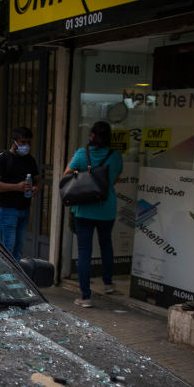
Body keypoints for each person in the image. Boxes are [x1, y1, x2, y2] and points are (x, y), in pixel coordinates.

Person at [64, 120, 123, 308]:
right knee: (106, 245)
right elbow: (115, 179)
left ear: (92, 136)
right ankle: (108, 284)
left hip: (84, 208)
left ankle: (85, 296)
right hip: (106, 208)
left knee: (84, 251)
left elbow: (67, 175)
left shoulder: (82, 154)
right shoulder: (115, 156)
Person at [0, 126, 42, 261]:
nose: (26, 146)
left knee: (18, 248)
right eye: (23, 142)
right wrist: (16, 187)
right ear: (14, 141)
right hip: (7, 210)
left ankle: (15, 279)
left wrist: (35, 188)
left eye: (28, 143)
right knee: (8, 249)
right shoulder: (3, 158)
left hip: (24, 209)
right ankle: (6, 279)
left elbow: (39, 181)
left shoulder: (30, 160)